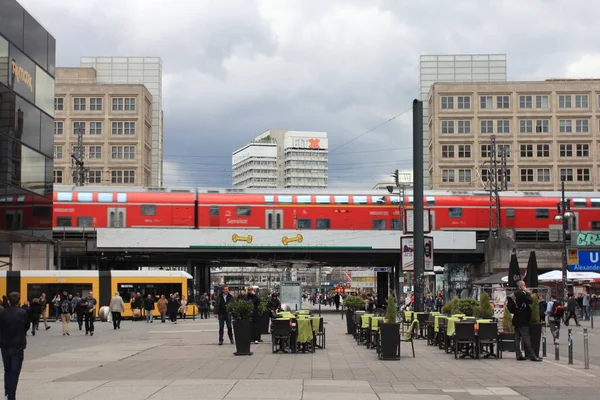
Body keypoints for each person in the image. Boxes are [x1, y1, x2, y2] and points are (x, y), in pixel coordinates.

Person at [0, 292, 30, 400]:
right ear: (19, 301)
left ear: (8, 301)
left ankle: (7, 392)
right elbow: (26, 326)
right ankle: (11, 395)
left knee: (7, 370)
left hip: (4, 345)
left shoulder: (2, 313)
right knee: (15, 371)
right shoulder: (23, 312)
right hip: (18, 345)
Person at [511, 281, 542, 362]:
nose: (526, 286)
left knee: (517, 338)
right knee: (526, 338)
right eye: (524, 285)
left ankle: (518, 355)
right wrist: (527, 292)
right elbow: (530, 300)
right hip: (523, 319)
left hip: (516, 318)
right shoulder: (522, 294)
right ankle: (533, 356)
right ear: (521, 286)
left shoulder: (515, 293)